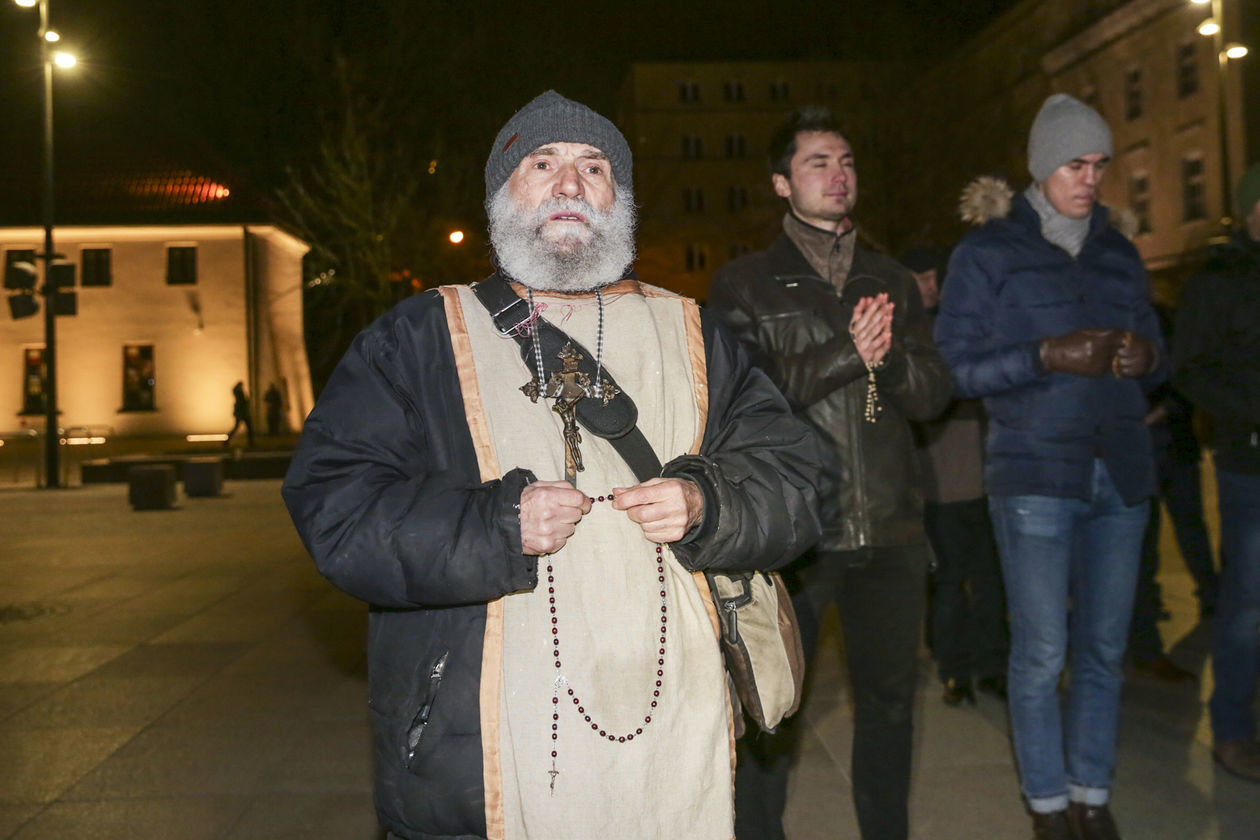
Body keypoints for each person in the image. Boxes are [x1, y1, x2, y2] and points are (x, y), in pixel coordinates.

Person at [281, 90, 825, 840]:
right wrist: (495, 525)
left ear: (618, 199)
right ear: (501, 194)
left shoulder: (696, 333)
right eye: (542, 164)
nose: (570, 184)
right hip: (486, 745)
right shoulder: (418, 336)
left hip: (677, 730)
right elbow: (336, 507)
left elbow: (796, 479)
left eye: (593, 167)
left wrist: (709, 504)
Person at [708, 106, 953, 840]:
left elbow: (933, 396)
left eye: (846, 161)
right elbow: (740, 398)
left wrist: (889, 357)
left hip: (891, 526)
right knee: (774, 708)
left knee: (890, 707)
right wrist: (849, 352)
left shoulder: (891, 279)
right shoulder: (744, 284)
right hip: (799, 533)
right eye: (818, 162)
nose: (838, 175)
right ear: (781, 183)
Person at [935, 94, 1165, 840]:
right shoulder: (987, 253)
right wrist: (1044, 354)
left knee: (1104, 649)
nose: (1090, 179)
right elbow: (953, 369)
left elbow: (1159, 349)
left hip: (1119, 473)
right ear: (1040, 167)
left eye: (1099, 164)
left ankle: (1091, 793)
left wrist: (1148, 357)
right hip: (1035, 476)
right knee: (1041, 652)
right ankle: (1046, 804)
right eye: (1074, 164)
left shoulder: (1118, 252)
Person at [1172, 161, 1260, 784]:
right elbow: (1189, 369)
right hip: (1249, 465)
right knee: (1249, 602)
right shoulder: (1219, 281)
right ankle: (1231, 728)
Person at [901, 246, 1008, 708]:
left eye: (933, 277)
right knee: (948, 583)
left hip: (986, 477)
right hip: (938, 483)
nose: (930, 287)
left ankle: (993, 666)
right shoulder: (903, 333)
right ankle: (955, 671)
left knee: (989, 580)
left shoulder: (966, 325)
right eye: (920, 278)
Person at [224, 381, 253, 446]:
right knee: (248, 427)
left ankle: (227, 441)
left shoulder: (238, 393)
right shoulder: (240, 394)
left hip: (241, 413)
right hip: (242, 413)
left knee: (238, 427)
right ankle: (251, 442)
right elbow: (243, 402)